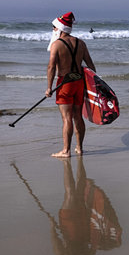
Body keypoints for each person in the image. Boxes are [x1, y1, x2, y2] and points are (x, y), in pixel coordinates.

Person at [45, 12, 96, 157]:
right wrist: (92, 86)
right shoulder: (81, 43)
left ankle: (65, 151)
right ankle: (79, 148)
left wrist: (49, 87)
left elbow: (51, 67)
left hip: (64, 84)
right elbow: (91, 66)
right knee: (77, 116)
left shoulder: (57, 45)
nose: (53, 30)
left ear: (60, 29)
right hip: (79, 83)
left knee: (67, 118)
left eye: (54, 28)